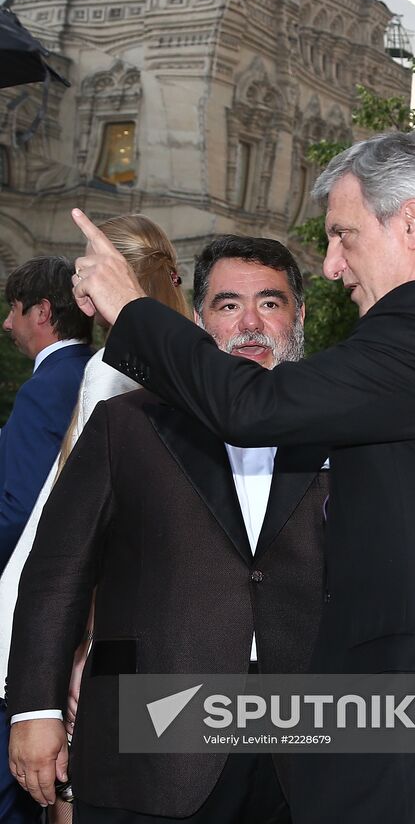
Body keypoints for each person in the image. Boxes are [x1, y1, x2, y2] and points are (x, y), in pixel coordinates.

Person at [62, 127, 415, 824]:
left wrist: (132, 309)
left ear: (412, 223)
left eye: (343, 235)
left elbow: (251, 405)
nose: (332, 264)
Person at [7, 235, 328, 824]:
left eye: (271, 303)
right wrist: (34, 710)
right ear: (199, 317)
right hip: (155, 739)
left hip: (305, 741)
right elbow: (56, 575)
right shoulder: (125, 424)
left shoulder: (340, 427)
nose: (250, 323)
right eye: (229, 305)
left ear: (299, 315)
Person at [0, 214, 190, 824]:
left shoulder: (108, 369)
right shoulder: (201, 358)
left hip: (102, 633)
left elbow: (72, 534)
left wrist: (70, 655)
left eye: (86, 264)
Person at [0, 256, 93, 824]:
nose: (7, 325)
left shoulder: (51, 385)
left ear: (42, 313)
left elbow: (19, 508)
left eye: (12, 309)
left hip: (30, 616)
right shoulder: (101, 370)